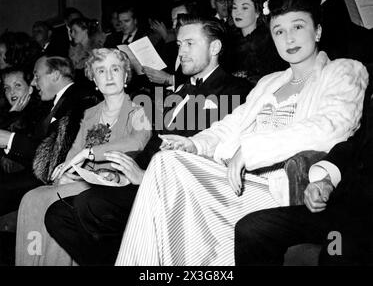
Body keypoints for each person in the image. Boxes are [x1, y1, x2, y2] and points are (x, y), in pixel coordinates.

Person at [114, 0, 368, 266]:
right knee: (166, 160)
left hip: (277, 187)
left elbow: (330, 126)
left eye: (298, 26)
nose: (289, 38)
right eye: (279, 31)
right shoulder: (270, 82)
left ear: (317, 31)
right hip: (237, 180)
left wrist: (250, 150)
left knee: (165, 168)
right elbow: (231, 125)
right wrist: (194, 143)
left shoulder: (344, 70)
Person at [43, 16, 252, 266]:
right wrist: (121, 175)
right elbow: (152, 144)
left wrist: (143, 175)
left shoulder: (236, 90)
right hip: (147, 179)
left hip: (180, 188)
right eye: (179, 44)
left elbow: (213, 150)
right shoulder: (179, 93)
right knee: (58, 215)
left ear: (215, 48)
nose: (181, 51)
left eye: (189, 44)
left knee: (91, 205)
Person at [15, 48, 151, 266]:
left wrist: (89, 153)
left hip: (113, 185)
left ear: (125, 76)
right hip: (83, 180)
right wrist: (65, 172)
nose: (108, 76)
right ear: (93, 79)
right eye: (100, 70)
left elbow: (137, 141)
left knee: (49, 200)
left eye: (115, 69)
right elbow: (73, 152)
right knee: (31, 198)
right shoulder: (90, 114)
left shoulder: (139, 110)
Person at [234, 94, 373, 266]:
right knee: (252, 229)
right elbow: (356, 143)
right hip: (344, 208)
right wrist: (327, 180)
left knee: (336, 251)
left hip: (364, 224)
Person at [0, 55, 96, 216]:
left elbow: (58, 154)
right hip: (41, 173)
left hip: (57, 179)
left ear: (55, 75)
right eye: (6, 88)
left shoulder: (79, 99)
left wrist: (10, 140)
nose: (33, 83)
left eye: (37, 76)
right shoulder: (54, 104)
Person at [223, 0, 287, 85]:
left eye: (244, 8)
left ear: (257, 12)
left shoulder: (268, 43)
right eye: (234, 7)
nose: (237, 12)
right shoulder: (229, 42)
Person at [0, 67, 47, 174]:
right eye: (7, 88)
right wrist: (12, 114)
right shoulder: (6, 114)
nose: (11, 92)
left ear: (30, 89)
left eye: (17, 85)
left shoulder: (40, 116)